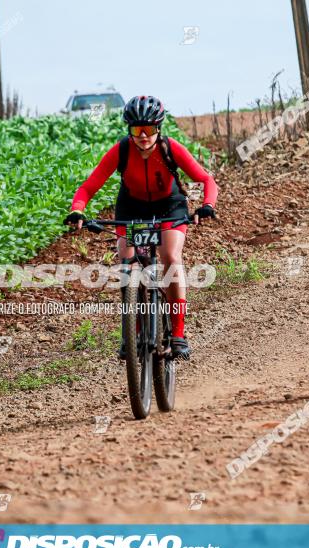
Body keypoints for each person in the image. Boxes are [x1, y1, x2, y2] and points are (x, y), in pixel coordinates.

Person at [64, 95, 218, 359]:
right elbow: (90, 186)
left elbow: (206, 179)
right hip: (132, 209)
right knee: (127, 263)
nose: (144, 136)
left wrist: (207, 205)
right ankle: (133, 333)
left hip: (169, 206)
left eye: (150, 129)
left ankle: (178, 334)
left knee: (170, 257)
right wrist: (77, 210)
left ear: (159, 128)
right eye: (137, 130)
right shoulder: (122, 150)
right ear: (129, 130)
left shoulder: (171, 148)